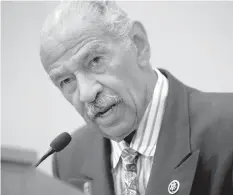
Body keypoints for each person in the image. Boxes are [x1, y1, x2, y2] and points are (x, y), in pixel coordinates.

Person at [39, 1, 233, 195]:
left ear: (138, 44)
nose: (87, 93)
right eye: (65, 81)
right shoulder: (68, 159)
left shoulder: (227, 127)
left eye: (95, 60)